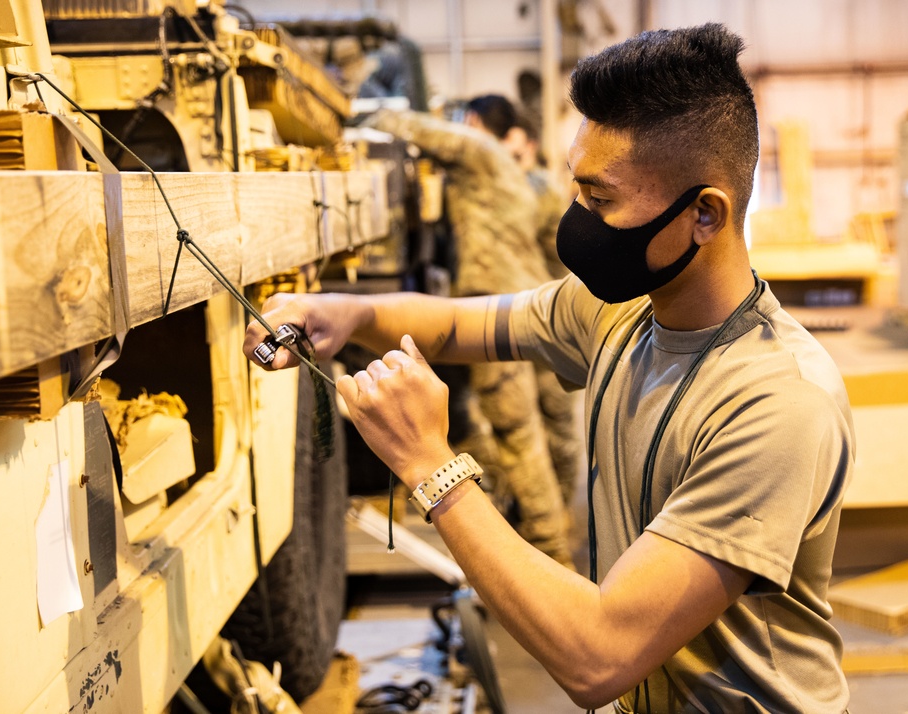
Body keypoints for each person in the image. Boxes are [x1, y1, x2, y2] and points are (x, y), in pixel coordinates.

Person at [246, 24, 853, 713]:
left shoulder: (777, 404)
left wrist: (428, 463)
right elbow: (459, 322)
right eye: (577, 192)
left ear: (705, 214)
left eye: (602, 202)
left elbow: (599, 659)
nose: (577, 222)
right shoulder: (619, 314)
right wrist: (348, 313)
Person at [364, 103, 575, 567]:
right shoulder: (518, 178)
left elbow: (400, 124)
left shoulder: (478, 150)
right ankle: (546, 523)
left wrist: (367, 112)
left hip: (493, 311)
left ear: (474, 124)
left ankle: (553, 559)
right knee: (531, 427)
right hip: (529, 302)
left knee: (517, 433)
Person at [466, 95, 584, 507]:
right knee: (528, 429)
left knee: (556, 428)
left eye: (514, 152)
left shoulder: (534, 191)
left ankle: (563, 520)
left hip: (548, 317)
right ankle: (542, 515)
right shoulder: (525, 187)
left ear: (527, 145)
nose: (507, 160)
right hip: (530, 316)